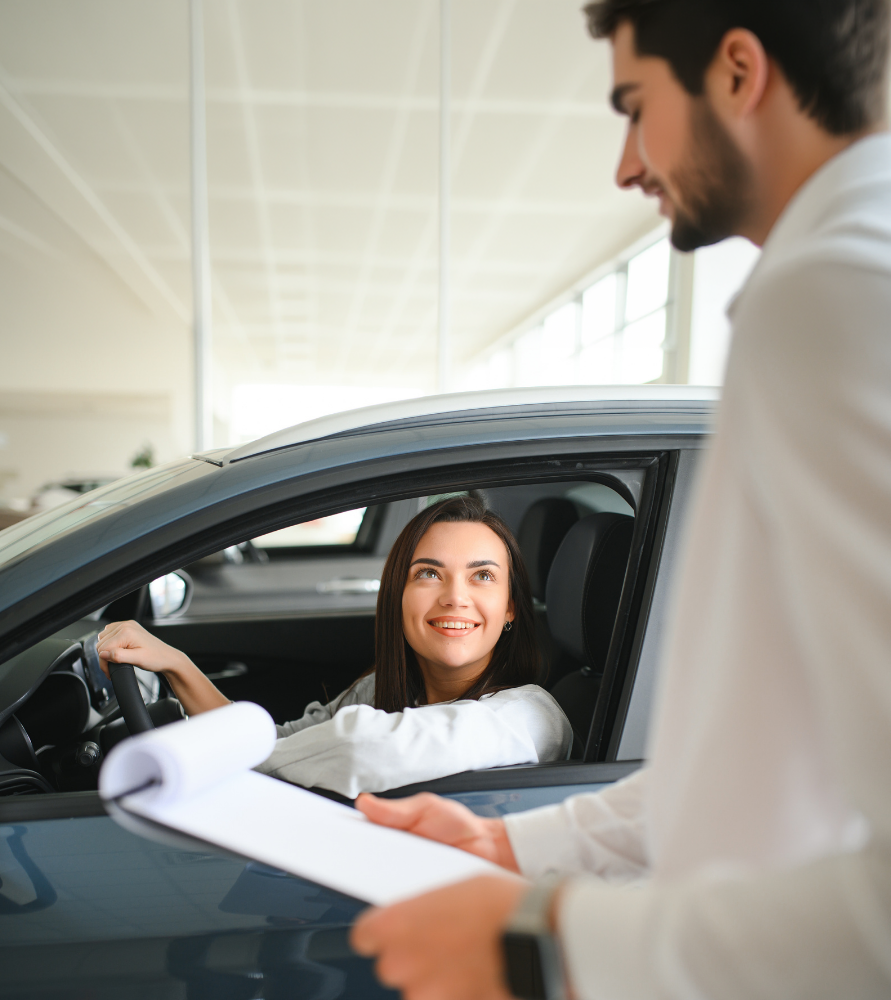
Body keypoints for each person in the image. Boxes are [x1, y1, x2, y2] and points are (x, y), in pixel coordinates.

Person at [350, 2, 891, 999]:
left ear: (737, 73)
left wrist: (544, 942)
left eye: (634, 108)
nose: (625, 165)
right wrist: (510, 843)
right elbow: (767, 758)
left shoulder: (837, 294)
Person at [96, 496, 572, 797]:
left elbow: (358, 749)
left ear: (511, 607)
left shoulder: (531, 718)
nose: (454, 596)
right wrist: (177, 666)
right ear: (397, 596)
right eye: (428, 573)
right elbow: (284, 746)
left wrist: (226, 759)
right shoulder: (381, 690)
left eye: (482, 576)